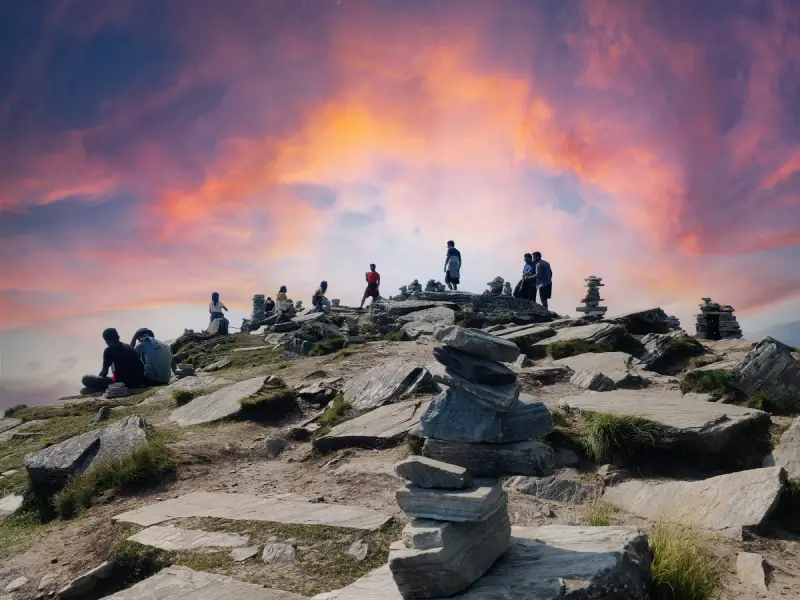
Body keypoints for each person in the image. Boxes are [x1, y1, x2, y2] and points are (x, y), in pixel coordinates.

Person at [81, 328, 148, 393]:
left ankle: (97, 389)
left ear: (106, 341)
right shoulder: (129, 347)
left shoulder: (109, 350)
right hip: (138, 381)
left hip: (122, 384)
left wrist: (98, 381)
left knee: (85, 379)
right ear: (118, 337)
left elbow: (104, 372)